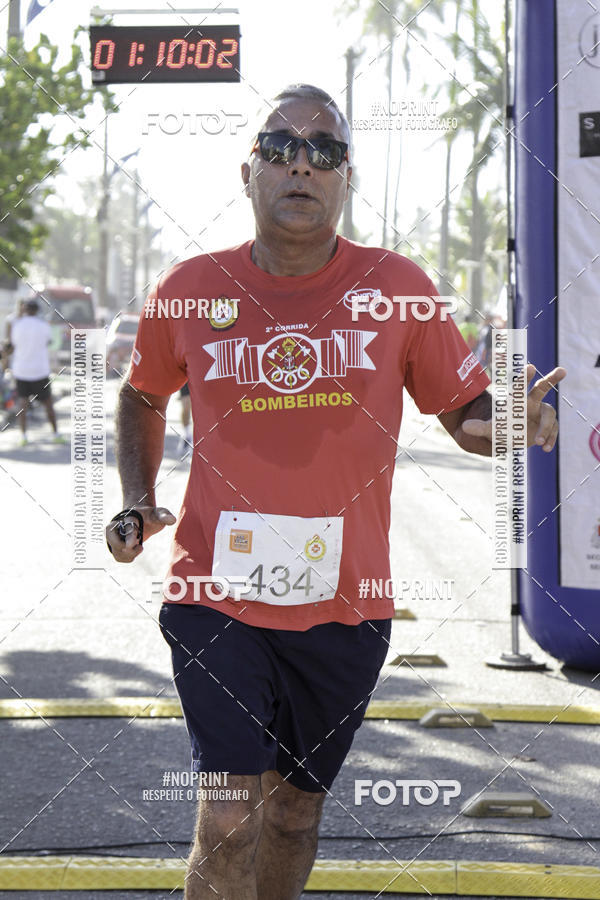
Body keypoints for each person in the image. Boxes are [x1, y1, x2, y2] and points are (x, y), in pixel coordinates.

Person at [106, 84, 565, 899]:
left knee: (292, 816)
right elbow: (142, 395)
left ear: (345, 177)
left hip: (348, 607)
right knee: (228, 813)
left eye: (324, 151)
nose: (301, 165)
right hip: (216, 594)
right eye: (280, 147)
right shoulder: (187, 290)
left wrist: (515, 425)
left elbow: (464, 414)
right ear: (247, 170)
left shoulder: (399, 289)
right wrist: (139, 498)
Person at [10, 298, 64, 446]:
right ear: (37, 311)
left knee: (23, 402)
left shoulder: (17, 325)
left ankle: (24, 436)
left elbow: (13, 344)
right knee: (48, 403)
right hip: (40, 370)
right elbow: (48, 342)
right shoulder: (43, 325)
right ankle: (56, 433)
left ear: (25, 310)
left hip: (21, 370)